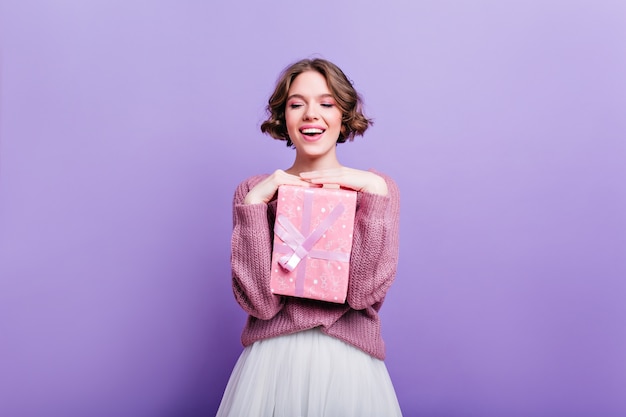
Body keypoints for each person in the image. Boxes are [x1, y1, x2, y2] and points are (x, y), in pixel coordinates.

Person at [216, 58, 402, 417]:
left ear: (344, 115)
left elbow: (364, 294)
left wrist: (375, 196)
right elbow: (260, 305)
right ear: (283, 117)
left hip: (350, 364)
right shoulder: (254, 191)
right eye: (296, 104)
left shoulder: (376, 190)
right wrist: (255, 205)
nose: (310, 114)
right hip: (271, 364)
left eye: (326, 103)